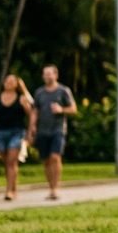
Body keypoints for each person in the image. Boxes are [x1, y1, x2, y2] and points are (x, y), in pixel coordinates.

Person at [0, 74, 34, 201]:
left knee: (11, 161)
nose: (9, 83)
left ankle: (9, 191)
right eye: (7, 81)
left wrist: (30, 132)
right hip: (0, 133)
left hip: (17, 132)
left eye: (12, 81)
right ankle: (13, 188)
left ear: (17, 84)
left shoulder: (21, 99)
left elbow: (31, 115)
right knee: (7, 163)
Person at [31, 65, 76, 200]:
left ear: (56, 75)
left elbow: (73, 109)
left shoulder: (63, 91)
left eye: (50, 74)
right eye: (45, 74)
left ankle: (56, 188)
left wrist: (61, 109)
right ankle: (51, 188)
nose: (47, 76)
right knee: (46, 161)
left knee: (55, 157)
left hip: (58, 129)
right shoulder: (39, 93)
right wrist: (32, 126)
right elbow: (35, 111)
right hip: (42, 130)